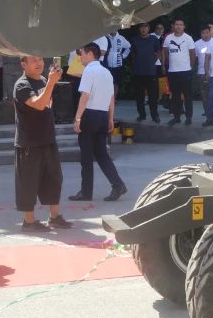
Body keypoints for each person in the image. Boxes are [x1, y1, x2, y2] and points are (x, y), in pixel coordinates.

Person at [13, 55, 73, 232]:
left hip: (47, 138)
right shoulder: (22, 85)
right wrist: (52, 82)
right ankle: (29, 221)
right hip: (29, 142)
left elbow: (48, 103)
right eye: (33, 60)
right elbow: (38, 104)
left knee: (54, 179)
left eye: (40, 59)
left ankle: (54, 217)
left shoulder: (43, 80)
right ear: (23, 64)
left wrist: (50, 82)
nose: (38, 63)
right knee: (29, 182)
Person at [69, 43, 127, 202]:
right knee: (102, 154)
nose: (80, 57)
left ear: (90, 54)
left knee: (86, 156)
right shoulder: (107, 72)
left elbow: (85, 95)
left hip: (89, 115)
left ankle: (86, 192)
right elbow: (111, 98)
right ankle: (118, 184)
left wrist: (78, 118)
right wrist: (110, 118)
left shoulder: (89, 70)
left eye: (81, 53)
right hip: (102, 115)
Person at [164, 19, 196, 126]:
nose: (178, 26)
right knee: (175, 96)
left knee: (187, 96)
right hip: (173, 71)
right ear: (173, 26)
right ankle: (176, 117)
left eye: (181, 25)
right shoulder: (168, 38)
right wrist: (167, 64)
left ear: (184, 26)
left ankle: (188, 118)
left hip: (185, 71)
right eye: (176, 24)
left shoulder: (188, 38)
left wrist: (190, 67)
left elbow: (193, 54)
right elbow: (165, 52)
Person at [129, 23, 162, 123]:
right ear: (139, 28)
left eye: (146, 27)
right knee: (139, 96)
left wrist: (152, 61)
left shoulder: (153, 39)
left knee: (153, 96)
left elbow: (158, 52)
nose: (144, 29)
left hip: (150, 71)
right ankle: (142, 115)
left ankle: (154, 116)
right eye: (142, 27)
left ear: (148, 28)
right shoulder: (135, 39)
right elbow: (132, 53)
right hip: (138, 72)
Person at [103, 30, 131, 97]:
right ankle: (107, 98)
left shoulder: (121, 38)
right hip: (107, 63)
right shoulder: (106, 37)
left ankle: (113, 98)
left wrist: (123, 55)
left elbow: (129, 47)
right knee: (107, 82)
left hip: (118, 63)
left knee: (116, 82)